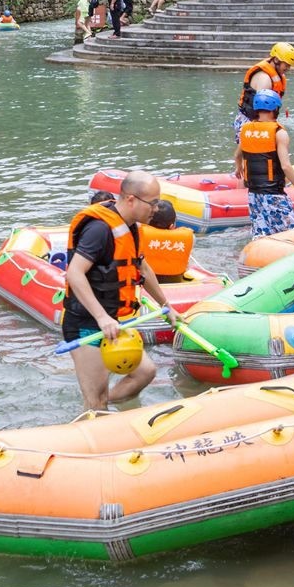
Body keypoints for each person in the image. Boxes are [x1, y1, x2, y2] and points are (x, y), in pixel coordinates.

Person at [62, 172, 180, 411]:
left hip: (113, 321)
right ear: (131, 199)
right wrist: (101, 317)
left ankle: (108, 409)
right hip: (87, 325)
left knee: (145, 372)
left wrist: (166, 306)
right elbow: (74, 273)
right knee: (95, 400)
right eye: (152, 203)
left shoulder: (131, 228)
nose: (156, 209)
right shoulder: (99, 230)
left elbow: (142, 268)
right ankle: (95, 413)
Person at [236, 91, 294, 234]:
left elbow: (237, 155)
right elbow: (286, 166)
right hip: (273, 194)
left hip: (254, 195)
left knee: (262, 233)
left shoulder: (245, 130)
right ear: (275, 108)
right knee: (292, 233)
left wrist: (238, 168)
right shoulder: (278, 133)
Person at [236, 42, 294, 135]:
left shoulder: (276, 74)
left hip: (260, 121)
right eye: (286, 65)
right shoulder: (264, 79)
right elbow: (261, 108)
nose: (288, 68)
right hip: (250, 122)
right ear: (276, 60)